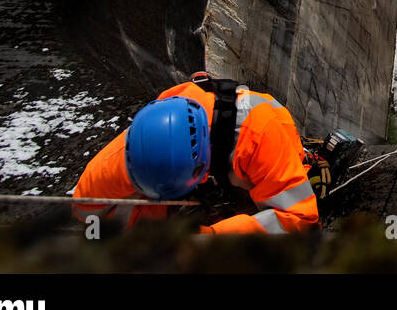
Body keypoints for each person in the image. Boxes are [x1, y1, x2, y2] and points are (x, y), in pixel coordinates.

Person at [72, 71, 319, 234]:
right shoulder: (129, 155)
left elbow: (301, 220)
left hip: (268, 154)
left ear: (201, 172)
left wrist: (210, 237)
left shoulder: (259, 135)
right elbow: (86, 214)